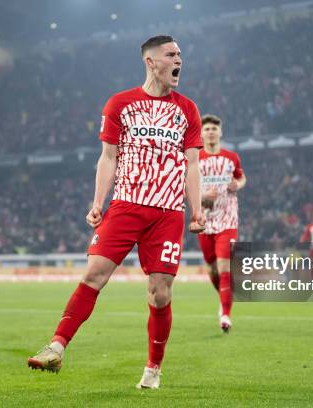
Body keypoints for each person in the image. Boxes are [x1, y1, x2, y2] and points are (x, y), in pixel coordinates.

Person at [27, 35, 205, 390]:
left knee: (160, 292)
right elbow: (108, 157)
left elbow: (192, 164)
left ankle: (153, 369)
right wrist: (98, 202)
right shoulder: (121, 104)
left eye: (181, 55)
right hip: (125, 205)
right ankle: (56, 346)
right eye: (171, 55)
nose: (179, 60)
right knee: (94, 273)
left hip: (168, 212)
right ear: (151, 62)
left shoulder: (187, 109)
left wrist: (196, 210)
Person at [197, 114, 246, 333]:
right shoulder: (194, 158)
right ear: (201, 133)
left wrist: (238, 185)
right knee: (211, 268)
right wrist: (202, 195)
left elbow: (241, 177)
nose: (210, 132)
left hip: (228, 219)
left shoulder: (232, 157)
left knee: (224, 266)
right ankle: (224, 298)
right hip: (204, 220)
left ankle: (225, 315)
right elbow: (185, 187)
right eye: (206, 129)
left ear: (220, 132)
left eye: (214, 129)